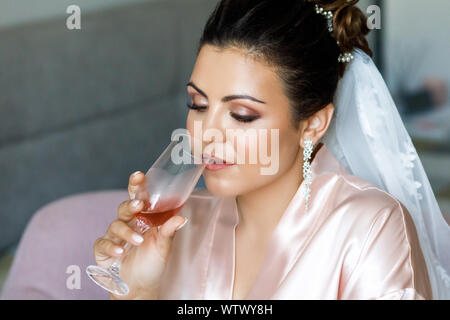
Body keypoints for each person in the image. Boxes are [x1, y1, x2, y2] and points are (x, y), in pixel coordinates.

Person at [92, 0, 450, 300]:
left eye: (242, 114)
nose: (206, 133)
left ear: (312, 124)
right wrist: (137, 290)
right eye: (198, 104)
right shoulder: (179, 227)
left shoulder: (370, 226)